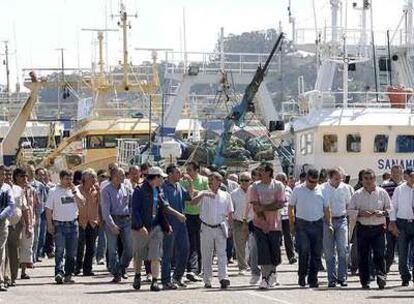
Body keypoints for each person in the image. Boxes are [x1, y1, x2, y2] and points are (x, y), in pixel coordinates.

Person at [131, 166, 186, 292]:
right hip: (141, 228)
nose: (163, 180)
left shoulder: (159, 190)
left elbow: (164, 208)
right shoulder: (139, 190)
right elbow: (135, 210)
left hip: (156, 227)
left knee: (156, 255)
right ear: (155, 177)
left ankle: (155, 281)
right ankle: (137, 276)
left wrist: (170, 222)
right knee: (139, 255)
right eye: (161, 177)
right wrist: (140, 226)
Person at [289, 168, 332, 288]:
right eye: (311, 182)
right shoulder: (298, 189)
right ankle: (302, 275)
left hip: (317, 224)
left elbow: (327, 208)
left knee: (316, 253)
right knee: (304, 251)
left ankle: (313, 278)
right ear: (306, 178)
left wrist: (329, 224)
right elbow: (291, 206)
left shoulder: (323, 190)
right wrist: (292, 224)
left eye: (315, 182)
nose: (313, 184)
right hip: (302, 224)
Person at [349, 169, 391, 289]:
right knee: (363, 256)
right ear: (362, 180)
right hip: (363, 228)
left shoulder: (382, 193)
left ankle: (381, 277)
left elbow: (390, 209)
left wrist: (382, 212)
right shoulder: (357, 194)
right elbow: (350, 211)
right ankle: (365, 280)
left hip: (378, 228)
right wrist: (360, 213)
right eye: (366, 179)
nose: (368, 181)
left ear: (374, 179)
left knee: (379, 254)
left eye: (371, 178)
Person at [191, 172, 234, 289]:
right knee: (206, 255)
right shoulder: (204, 193)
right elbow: (193, 203)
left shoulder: (226, 195)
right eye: (209, 179)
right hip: (206, 227)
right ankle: (207, 279)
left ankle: (223, 278)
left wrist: (230, 227)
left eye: (213, 179)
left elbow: (230, 212)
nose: (209, 182)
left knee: (222, 254)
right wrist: (203, 193)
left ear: (219, 182)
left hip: (220, 227)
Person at [248, 163, 285, 289]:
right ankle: (264, 278)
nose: (260, 173)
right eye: (259, 170)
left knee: (274, 251)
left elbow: (280, 204)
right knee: (263, 251)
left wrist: (264, 207)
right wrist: (263, 222)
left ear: (269, 172)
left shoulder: (278, 185)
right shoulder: (254, 187)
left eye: (262, 170)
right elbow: (255, 206)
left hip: (275, 224)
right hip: (259, 224)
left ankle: (273, 273)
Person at [46, 170, 85, 284]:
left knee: (71, 252)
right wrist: (49, 224)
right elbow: (48, 209)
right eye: (67, 179)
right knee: (59, 250)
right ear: (61, 179)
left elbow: (82, 202)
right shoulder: (53, 191)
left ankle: (69, 274)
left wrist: (75, 193)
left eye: (70, 179)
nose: (69, 181)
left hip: (73, 224)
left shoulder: (74, 190)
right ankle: (59, 272)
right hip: (59, 225)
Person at [161, 164, 192, 289]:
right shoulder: (164, 187)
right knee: (168, 253)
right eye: (177, 172)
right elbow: (165, 206)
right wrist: (178, 215)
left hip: (181, 225)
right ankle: (166, 280)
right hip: (169, 224)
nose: (180, 174)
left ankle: (177, 277)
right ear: (170, 174)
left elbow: (189, 198)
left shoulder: (179, 186)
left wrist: (190, 183)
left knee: (185, 250)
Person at [320, 168, 353, 287]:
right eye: (336, 178)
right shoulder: (322, 188)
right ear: (330, 177)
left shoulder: (346, 188)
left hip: (342, 220)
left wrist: (351, 222)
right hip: (326, 221)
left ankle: (342, 277)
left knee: (343, 249)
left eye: (341, 178)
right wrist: (327, 222)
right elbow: (323, 207)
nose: (339, 180)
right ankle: (331, 278)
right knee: (329, 252)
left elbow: (349, 205)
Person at [101, 166, 133, 283]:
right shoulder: (106, 191)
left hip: (126, 220)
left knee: (130, 248)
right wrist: (112, 225)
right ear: (114, 177)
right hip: (112, 219)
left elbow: (131, 204)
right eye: (122, 175)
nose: (124, 177)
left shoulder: (126, 188)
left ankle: (121, 267)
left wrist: (131, 216)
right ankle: (116, 273)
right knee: (112, 249)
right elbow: (105, 210)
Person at [181, 161, 208, 282]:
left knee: (200, 243)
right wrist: (197, 193)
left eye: (190, 170)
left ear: (197, 170)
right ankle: (192, 269)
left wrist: (197, 193)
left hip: (201, 215)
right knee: (192, 243)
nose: (188, 172)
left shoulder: (204, 180)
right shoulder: (183, 181)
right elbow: (187, 197)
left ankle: (198, 269)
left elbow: (207, 193)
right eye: (187, 170)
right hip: (187, 214)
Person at [5, 168, 32, 287]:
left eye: (9, 175)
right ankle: (4, 277)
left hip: (16, 225)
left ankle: (12, 276)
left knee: (13, 251)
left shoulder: (18, 190)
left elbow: (24, 208)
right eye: (5, 175)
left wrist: (28, 225)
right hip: (3, 224)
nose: (7, 177)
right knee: (3, 252)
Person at [389, 168, 414, 286]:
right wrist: (393, 223)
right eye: (411, 176)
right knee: (402, 253)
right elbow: (393, 206)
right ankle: (404, 276)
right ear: (407, 177)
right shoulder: (399, 190)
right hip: (402, 224)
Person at [75, 169, 100, 276]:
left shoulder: (96, 190)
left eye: (95, 177)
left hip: (93, 221)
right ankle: (76, 268)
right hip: (80, 221)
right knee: (79, 246)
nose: (94, 180)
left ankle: (87, 269)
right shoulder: (77, 190)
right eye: (91, 178)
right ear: (85, 179)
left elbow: (100, 205)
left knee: (91, 247)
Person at [381, 165, 403, 273]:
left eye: (398, 172)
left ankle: (404, 272)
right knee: (389, 247)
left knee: (403, 249)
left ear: (402, 173)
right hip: (389, 220)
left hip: (402, 220)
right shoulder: (385, 186)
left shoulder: (405, 186)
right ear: (391, 173)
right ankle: (385, 269)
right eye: (394, 172)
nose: (396, 174)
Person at [230, 172, 251, 275]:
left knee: (253, 245)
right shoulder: (234, 193)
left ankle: (252, 265)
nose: (244, 182)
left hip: (252, 222)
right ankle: (242, 267)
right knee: (240, 245)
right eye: (242, 180)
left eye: (246, 180)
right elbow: (231, 209)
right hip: (238, 221)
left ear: (250, 181)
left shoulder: (254, 192)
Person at [275, 172, 296, 265]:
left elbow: (292, 204)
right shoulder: (273, 189)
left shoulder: (289, 190)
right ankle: (277, 258)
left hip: (286, 216)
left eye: (282, 180)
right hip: (276, 217)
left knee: (288, 237)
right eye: (278, 179)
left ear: (285, 181)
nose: (280, 181)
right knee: (276, 238)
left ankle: (291, 256)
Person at [0, 166, 15, 292]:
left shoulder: (6, 188)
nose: (3, 177)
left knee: (0, 251)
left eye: (4, 174)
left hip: (2, 223)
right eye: (1, 174)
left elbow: (11, 206)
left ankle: (0, 280)